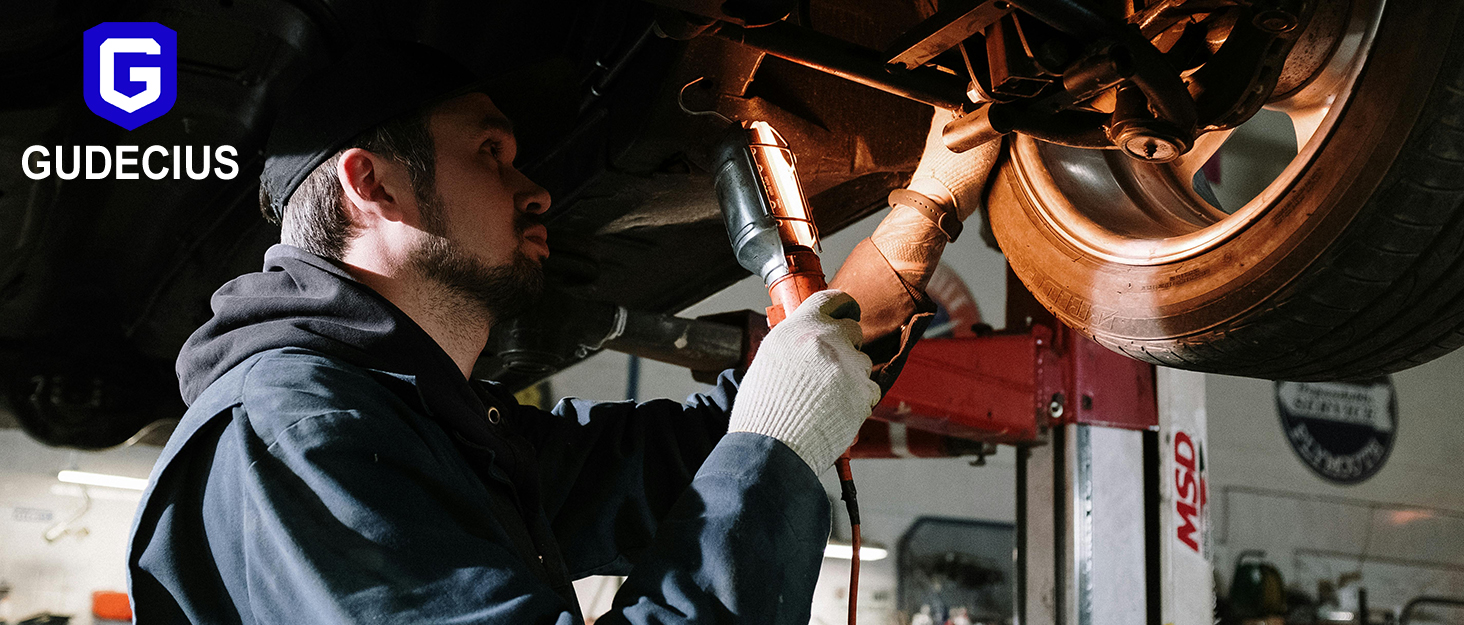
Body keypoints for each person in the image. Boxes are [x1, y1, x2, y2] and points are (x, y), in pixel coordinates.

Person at [126, 41, 996, 624]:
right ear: (372, 184)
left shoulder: (424, 428)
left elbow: (700, 450)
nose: (537, 189)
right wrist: (776, 446)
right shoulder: (296, 433)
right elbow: (760, 445)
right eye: (491, 153)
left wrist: (925, 212)